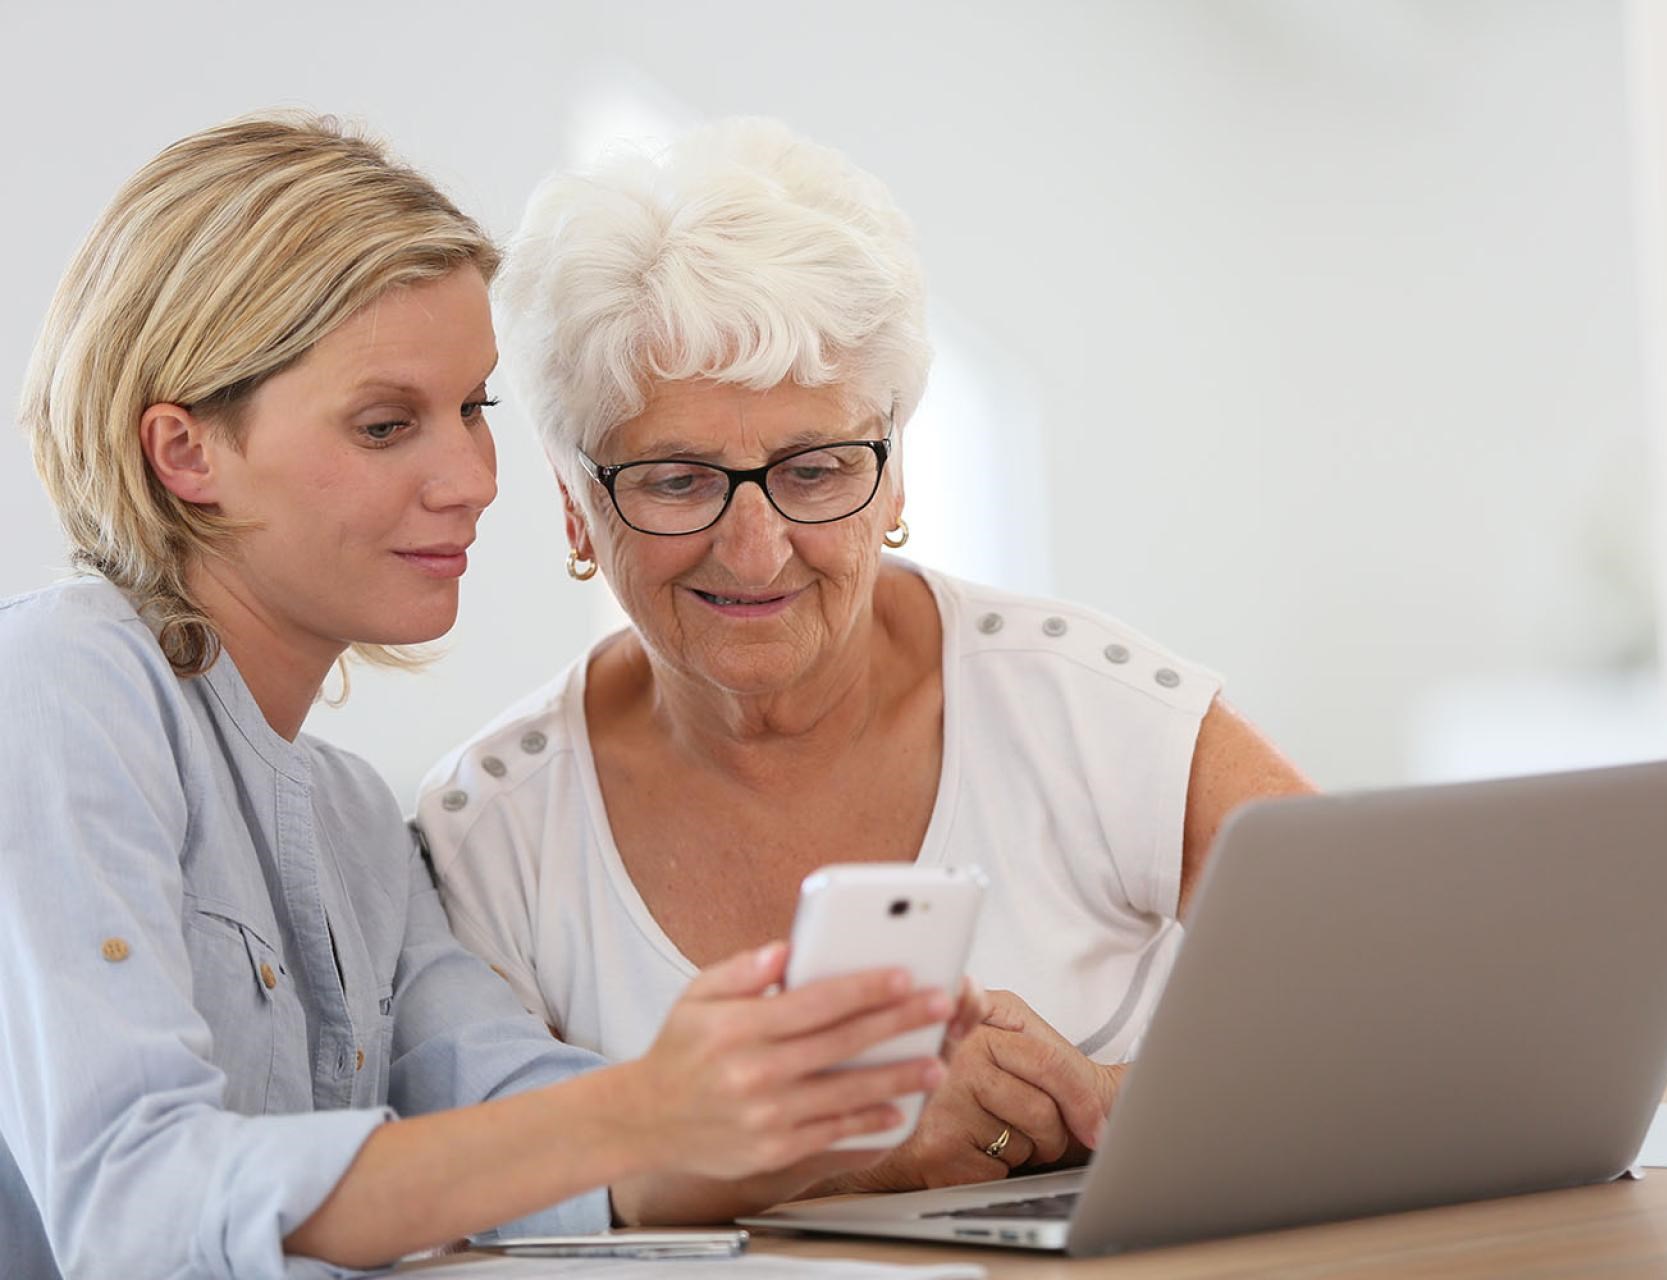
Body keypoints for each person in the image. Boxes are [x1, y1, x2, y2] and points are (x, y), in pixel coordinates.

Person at [0, 113, 973, 1280]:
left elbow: (539, 1122)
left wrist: (822, 1107)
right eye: (385, 424)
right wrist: (644, 1112)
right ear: (185, 452)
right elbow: (131, 1205)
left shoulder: (355, 817)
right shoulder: (62, 682)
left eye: (474, 409)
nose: (470, 480)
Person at [415, 117, 1314, 1218]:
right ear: (575, 504)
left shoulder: (1093, 709)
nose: (755, 549)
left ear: (893, 482)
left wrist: (1108, 1102)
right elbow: (479, 1201)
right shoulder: (491, 830)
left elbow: (1403, 995)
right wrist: (866, 1153)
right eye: (678, 480)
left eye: (815, 468)